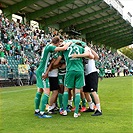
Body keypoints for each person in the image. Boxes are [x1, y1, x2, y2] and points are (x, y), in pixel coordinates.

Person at [34, 36, 72, 118]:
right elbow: (64, 48)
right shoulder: (50, 47)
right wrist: (69, 42)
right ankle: (42, 113)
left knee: (40, 91)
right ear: (57, 42)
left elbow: (50, 63)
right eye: (59, 43)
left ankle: (37, 110)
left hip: (41, 70)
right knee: (47, 92)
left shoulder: (47, 47)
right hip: (42, 71)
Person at [61, 40, 94, 118]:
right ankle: (76, 112)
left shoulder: (66, 48)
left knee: (66, 90)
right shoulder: (81, 48)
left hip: (70, 70)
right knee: (77, 91)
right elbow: (89, 55)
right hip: (79, 70)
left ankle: (64, 110)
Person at [72, 46, 102, 116]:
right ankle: (91, 107)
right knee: (85, 91)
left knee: (93, 91)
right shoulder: (83, 50)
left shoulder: (85, 49)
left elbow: (90, 55)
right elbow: (96, 56)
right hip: (86, 73)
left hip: (92, 72)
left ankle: (99, 109)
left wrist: (77, 55)